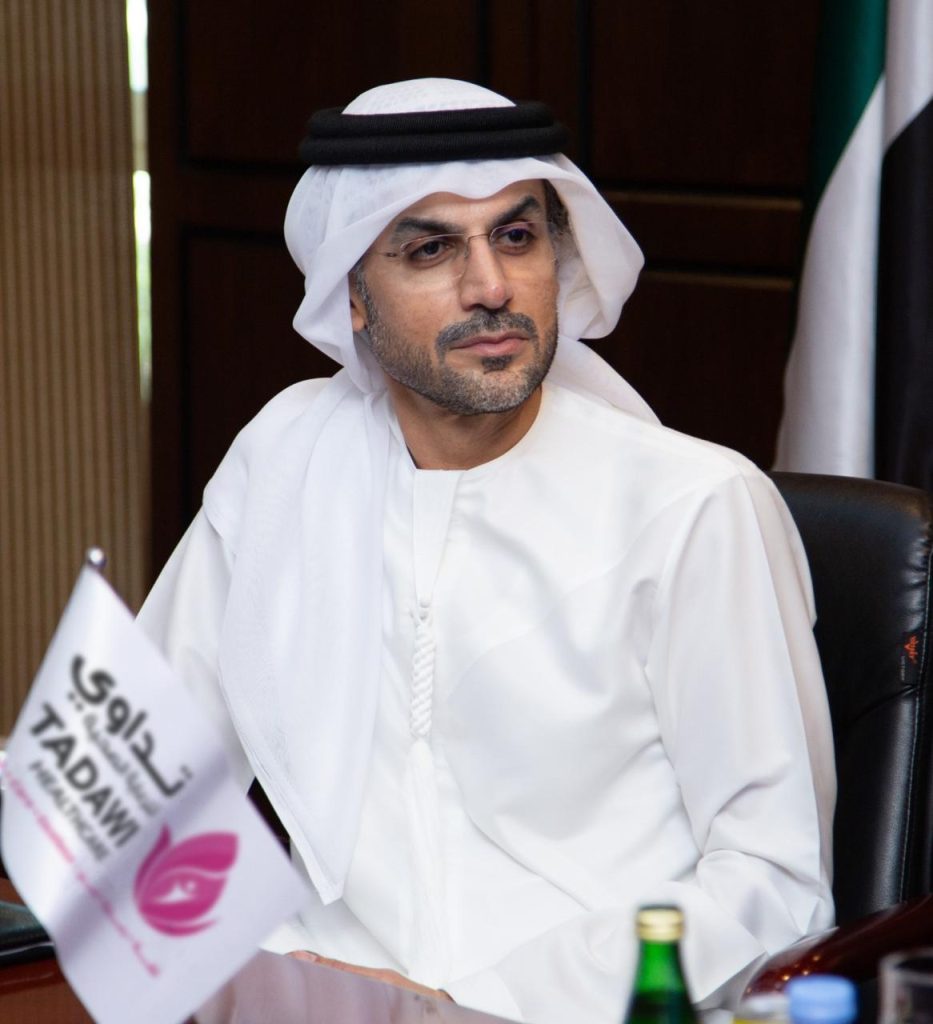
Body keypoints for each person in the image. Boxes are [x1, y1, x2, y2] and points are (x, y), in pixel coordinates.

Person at [138, 78, 835, 1023]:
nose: (491, 287)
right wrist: (265, 980)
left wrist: (458, 1005)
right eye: (430, 249)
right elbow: (138, 783)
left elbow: (772, 885)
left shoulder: (693, 505)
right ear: (351, 295)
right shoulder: (286, 460)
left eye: (515, 236)